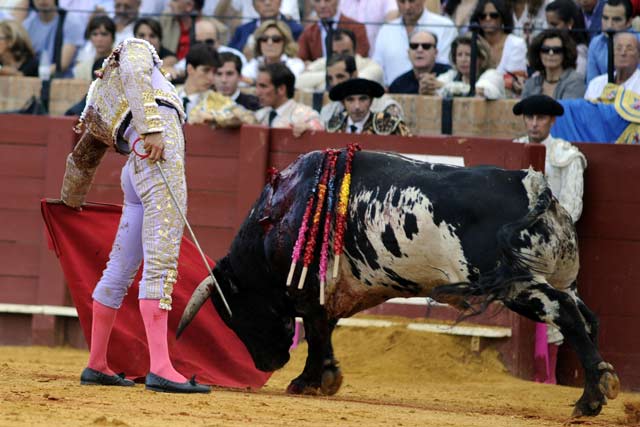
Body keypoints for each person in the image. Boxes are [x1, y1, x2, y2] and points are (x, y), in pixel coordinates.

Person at [59, 38, 210, 393]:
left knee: (119, 268)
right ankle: (160, 367)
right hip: (159, 154)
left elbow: (82, 158)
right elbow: (136, 73)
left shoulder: (96, 101)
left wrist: (71, 201)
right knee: (160, 261)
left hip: (135, 167)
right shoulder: (135, 48)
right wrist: (152, 127)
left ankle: (97, 363)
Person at [513, 94, 586, 385]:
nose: (533, 123)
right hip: (514, 248)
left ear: (552, 120)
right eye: (529, 117)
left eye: (540, 117)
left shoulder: (566, 156)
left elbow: (571, 208)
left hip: (553, 249)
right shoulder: (514, 150)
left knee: (554, 310)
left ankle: (547, 379)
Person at [374, 0, 457, 86]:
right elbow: (378, 68)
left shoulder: (445, 27)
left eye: (412, 1)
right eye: (402, 2)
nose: (407, 7)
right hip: (392, 94)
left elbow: (448, 68)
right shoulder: (386, 30)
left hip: (435, 93)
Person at [320, 53, 404, 127]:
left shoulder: (386, 107)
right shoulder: (329, 111)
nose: (334, 83)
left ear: (354, 75)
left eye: (340, 77)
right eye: (330, 79)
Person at [295, 28, 384, 91]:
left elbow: (355, 84)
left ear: (355, 50)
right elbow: (297, 81)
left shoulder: (372, 66)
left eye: (345, 52)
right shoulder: (326, 61)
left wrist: (317, 84)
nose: (340, 57)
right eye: (335, 53)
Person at [469, 0, 527, 94]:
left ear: (502, 17)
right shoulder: (472, 42)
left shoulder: (516, 43)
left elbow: (515, 81)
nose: (488, 19)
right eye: (483, 16)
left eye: (493, 15)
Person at [254, 62, 324, 136]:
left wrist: (309, 128)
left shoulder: (305, 115)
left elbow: (319, 129)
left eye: (263, 86)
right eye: (257, 86)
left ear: (281, 89)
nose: (257, 92)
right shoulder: (259, 115)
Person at [21, 0, 85, 78]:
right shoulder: (27, 24)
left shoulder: (71, 21)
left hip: (62, 82)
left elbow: (62, 65)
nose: (42, 1)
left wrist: (35, 74)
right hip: (32, 79)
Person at [327, 77, 412, 135]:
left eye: (363, 99)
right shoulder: (333, 124)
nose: (357, 106)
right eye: (350, 100)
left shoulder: (390, 124)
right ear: (343, 103)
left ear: (371, 101)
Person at [522, 29, 586, 99]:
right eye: (545, 50)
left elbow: (566, 109)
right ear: (538, 53)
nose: (551, 53)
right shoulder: (531, 84)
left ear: (565, 53)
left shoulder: (575, 81)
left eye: (556, 50)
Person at [297, 0, 370, 62]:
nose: (322, 5)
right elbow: (300, 60)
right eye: (317, 1)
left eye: (327, 0)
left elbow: (361, 58)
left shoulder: (356, 28)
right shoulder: (308, 32)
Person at [436, 34, 505, 99]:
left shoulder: (493, 75)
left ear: (481, 58)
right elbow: (437, 85)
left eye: (468, 55)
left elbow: (480, 92)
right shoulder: (451, 75)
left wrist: (445, 86)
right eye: (459, 55)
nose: (463, 60)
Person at [228, 0, 303, 55]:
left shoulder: (296, 30)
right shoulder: (242, 30)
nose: (267, 3)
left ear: (280, 2)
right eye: (261, 0)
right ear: (254, 5)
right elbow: (231, 55)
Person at [586, 0, 634, 84]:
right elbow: (591, 84)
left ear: (629, 22)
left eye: (616, 20)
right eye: (605, 18)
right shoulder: (595, 43)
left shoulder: (638, 43)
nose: (609, 25)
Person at [389, 30, 451, 95]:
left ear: (435, 53)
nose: (419, 50)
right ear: (408, 53)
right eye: (414, 46)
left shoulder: (452, 75)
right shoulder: (398, 85)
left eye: (426, 46)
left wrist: (443, 87)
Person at [242, 19, 305, 83]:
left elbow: (289, 83)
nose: (269, 43)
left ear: (285, 42)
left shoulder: (295, 64)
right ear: (259, 43)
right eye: (264, 39)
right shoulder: (255, 63)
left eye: (276, 39)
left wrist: (252, 82)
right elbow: (241, 81)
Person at [585, 31, 640, 99]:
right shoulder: (596, 84)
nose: (623, 53)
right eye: (618, 49)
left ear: (638, 56)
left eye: (629, 49)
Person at [545, 0, 589, 76]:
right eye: (548, 24)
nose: (550, 29)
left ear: (570, 23)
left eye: (554, 25)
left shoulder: (580, 53)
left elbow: (577, 79)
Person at [73, 16, 115, 81]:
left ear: (113, 37)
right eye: (95, 34)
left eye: (104, 34)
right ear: (90, 37)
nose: (99, 39)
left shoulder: (122, 65)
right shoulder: (82, 69)